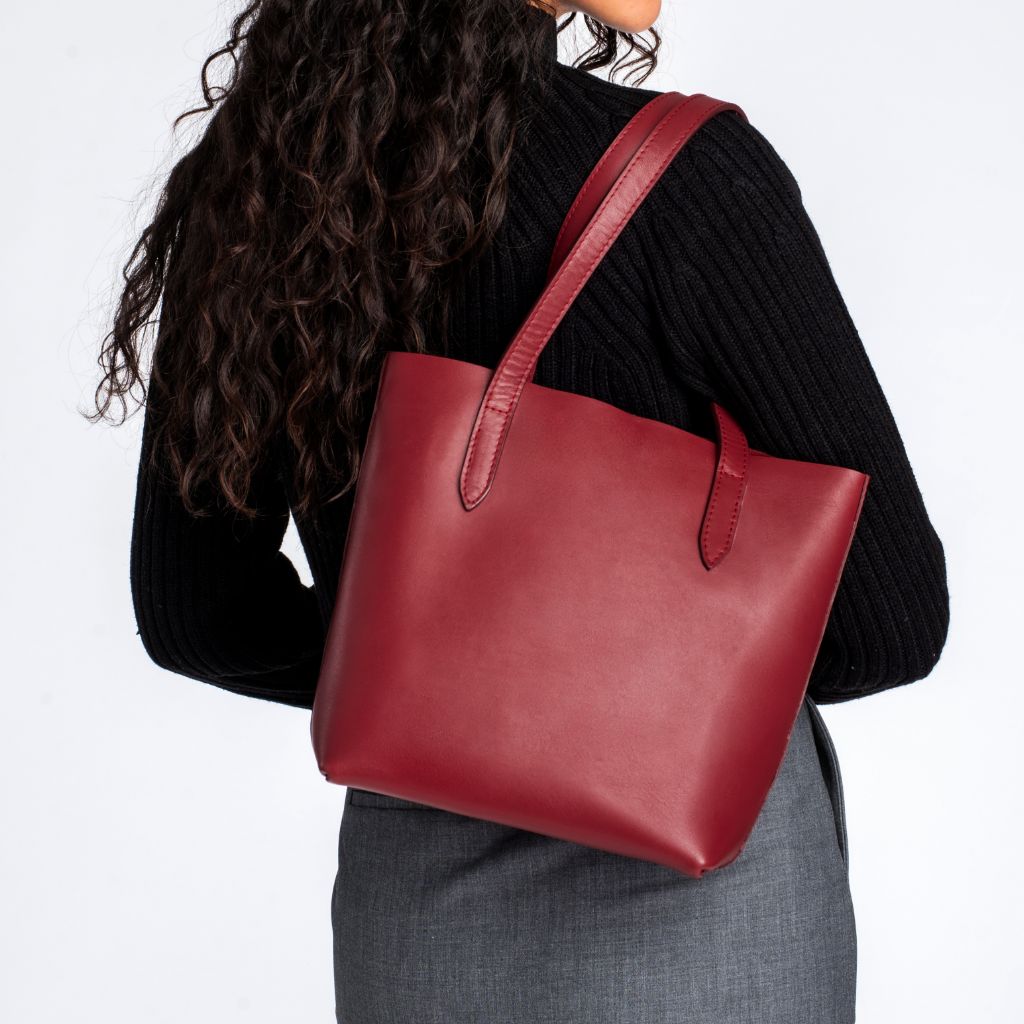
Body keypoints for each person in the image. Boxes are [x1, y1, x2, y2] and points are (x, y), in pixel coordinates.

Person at [94, 0, 950, 1020]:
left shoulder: (266, 189)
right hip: (700, 902)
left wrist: (437, 689)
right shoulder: (692, 181)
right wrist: (651, 704)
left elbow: (198, 612)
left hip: (420, 914)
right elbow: (889, 625)